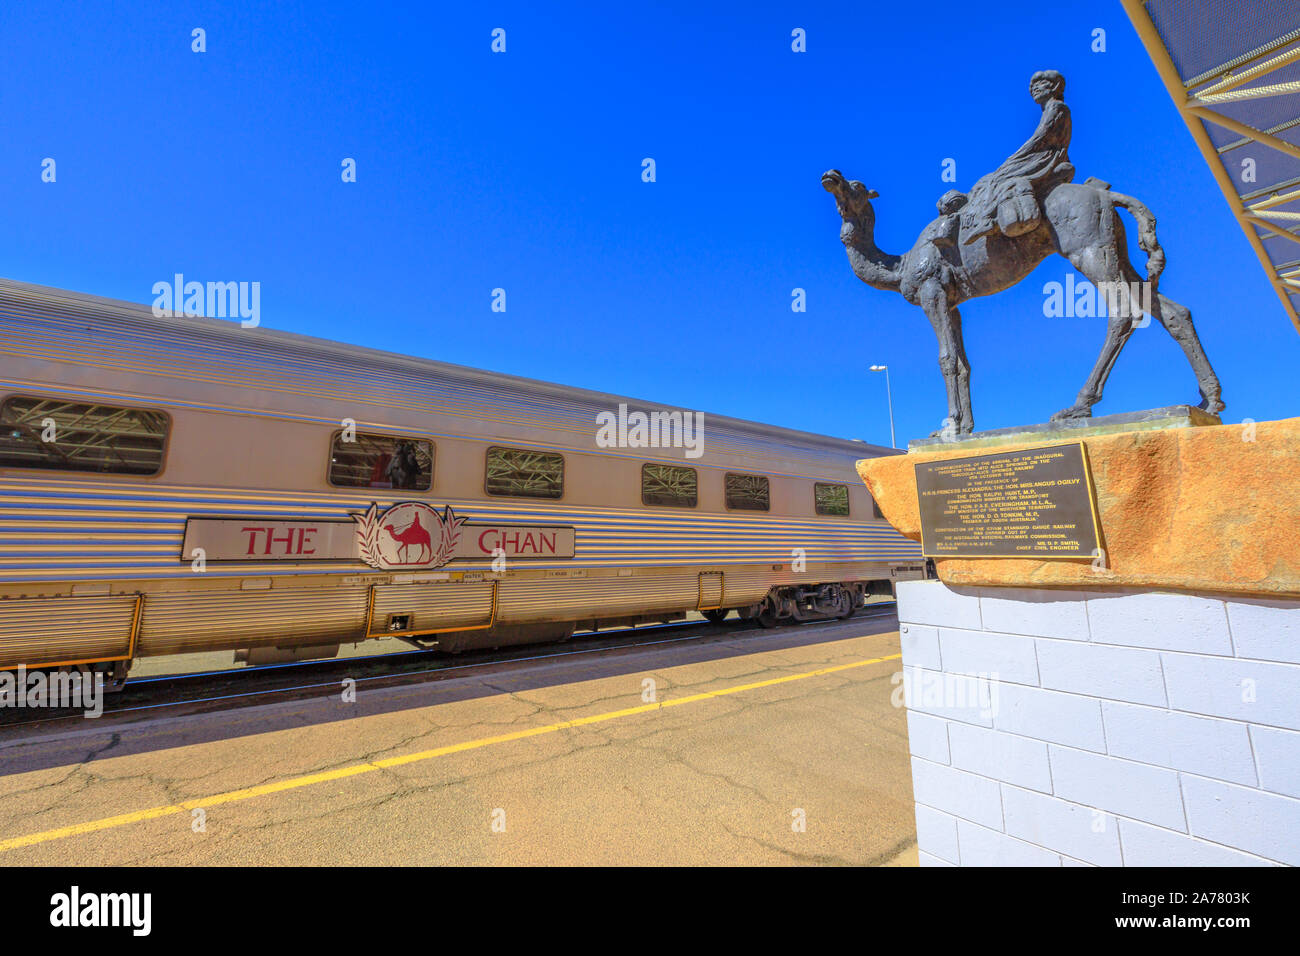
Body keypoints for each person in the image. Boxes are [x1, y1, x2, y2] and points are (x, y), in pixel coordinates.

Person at [961, 70, 1075, 244]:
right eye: (1033, 87)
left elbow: (1041, 137)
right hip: (1042, 154)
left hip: (1046, 157)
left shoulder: (1057, 107)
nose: (1035, 89)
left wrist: (1015, 157)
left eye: (1041, 84)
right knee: (997, 174)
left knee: (1000, 176)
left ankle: (988, 219)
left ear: (1054, 87)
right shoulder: (1050, 109)